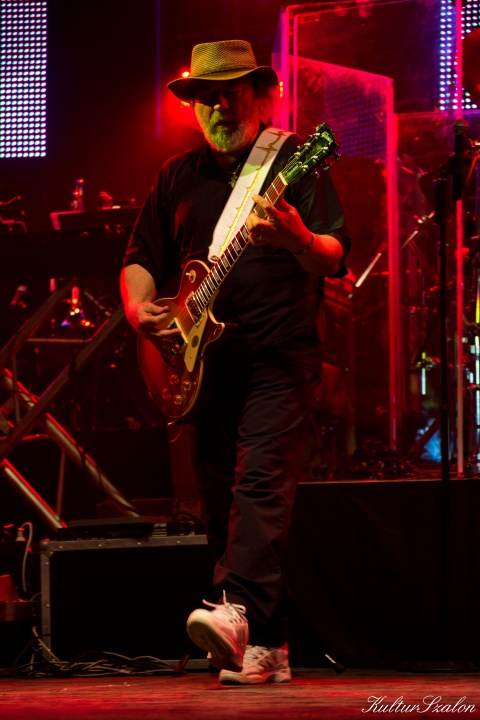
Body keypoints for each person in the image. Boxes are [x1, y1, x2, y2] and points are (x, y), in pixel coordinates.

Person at [121, 39, 351, 685]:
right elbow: (141, 259)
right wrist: (141, 314)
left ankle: (235, 610)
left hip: (279, 353)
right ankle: (267, 645)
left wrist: (299, 238)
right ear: (194, 108)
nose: (219, 106)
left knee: (259, 484)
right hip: (202, 366)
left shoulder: (294, 161)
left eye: (232, 93)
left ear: (261, 97)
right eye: (207, 97)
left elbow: (334, 254)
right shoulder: (175, 176)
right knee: (221, 497)